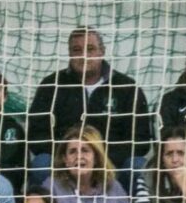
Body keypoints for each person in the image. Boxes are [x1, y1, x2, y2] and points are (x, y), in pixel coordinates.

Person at [29, 28, 155, 172]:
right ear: (69, 53)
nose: (84, 55)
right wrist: (69, 155)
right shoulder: (51, 85)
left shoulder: (127, 87)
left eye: (90, 49)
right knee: (41, 164)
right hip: (64, 164)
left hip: (112, 165)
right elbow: (36, 135)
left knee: (137, 165)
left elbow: (140, 140)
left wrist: (100, 157)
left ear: (102, 51)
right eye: (77, 50)